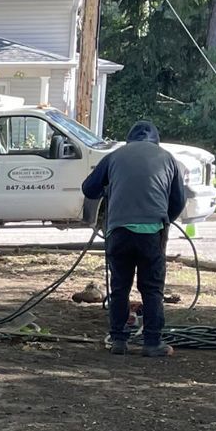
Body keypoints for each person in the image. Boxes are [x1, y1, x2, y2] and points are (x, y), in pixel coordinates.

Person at [82, 118, 188, 358]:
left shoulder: (114, 156)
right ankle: (152, 343)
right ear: (156, 141)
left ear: (129, 140)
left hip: (118, 231)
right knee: (151, 289)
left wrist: (108, 186)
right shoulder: (168, 158)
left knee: (120, 287)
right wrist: (164, 220)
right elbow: (178, 201)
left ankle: (118, 341)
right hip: (153, 232)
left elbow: (89, 189)